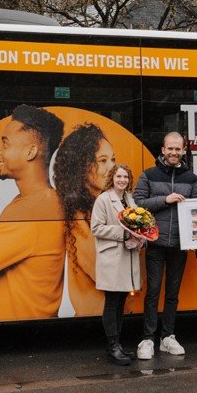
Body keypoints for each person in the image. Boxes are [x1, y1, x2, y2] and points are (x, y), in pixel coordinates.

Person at [0, 105, 66, 320]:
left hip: (11, 337)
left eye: (5, 143)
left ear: (31, 152)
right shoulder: (47, 200)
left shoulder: (29, 210)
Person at [133, 131, 197, 359]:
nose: (173, 152)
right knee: (152, 292)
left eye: (178, 149)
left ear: (184, 151)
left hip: (180, 245)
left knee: (172, 293)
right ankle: (147, 339)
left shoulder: (192, 179)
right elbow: (138, 204)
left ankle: (168, 337)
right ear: (163, 150)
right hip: (155, 244)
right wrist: (166, 199)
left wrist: (195, 238)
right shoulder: (148, 175)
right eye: (169, 148)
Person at [53, 123, 115, 317]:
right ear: (81, 166)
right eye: (102, 161)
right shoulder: (77, 217)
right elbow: (103, 272)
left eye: (113, 159)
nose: (112, 167)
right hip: (101, 314)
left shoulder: (102, 203)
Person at [91, 164, 147, 365]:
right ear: (112, 178)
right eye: (119, 176)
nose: (122, 180)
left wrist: (141, 236)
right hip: (113, 258)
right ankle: (112, 346)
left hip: (128, 256)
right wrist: (123, 233)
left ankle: (117, 345)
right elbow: (96, 228)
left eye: (125, 177)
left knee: (121, 301)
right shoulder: (103, 199)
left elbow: (136, 225)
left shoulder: (129, 199)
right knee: (112, 301)